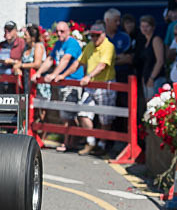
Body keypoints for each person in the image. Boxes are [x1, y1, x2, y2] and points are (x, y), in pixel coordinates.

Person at [33, 21, 85, 152]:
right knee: (66, 114)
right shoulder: (58, 44)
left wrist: (54, 74)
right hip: (63, 82)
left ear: (68, 31)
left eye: (62, 31)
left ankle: (69, 142)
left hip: (72, 81)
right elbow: (50, 60)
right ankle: (72, 141)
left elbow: (65, 60)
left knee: (68, 114)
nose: (59, 34)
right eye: (57, 31)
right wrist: (39, 73)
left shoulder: (72, 43)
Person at [71, 22, 116, 155]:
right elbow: (79, 62)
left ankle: (102, 144)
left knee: (105, 117)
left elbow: (102, 65)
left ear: (103, 35)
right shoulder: (90, 46)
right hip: (91, 85)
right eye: (92, 36)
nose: (94, 39)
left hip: (104, 84)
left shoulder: (109, 46)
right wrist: (61, 75)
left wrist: (88, 76)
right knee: (83, 113)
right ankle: (90, 142)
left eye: (96, 36)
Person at [136, 15, 165, 100]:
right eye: (142, 26)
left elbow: (160, 61)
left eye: (147, 26)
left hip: (156, 79)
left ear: (153, 27)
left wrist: (152, 78)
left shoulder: (156, 40)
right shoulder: (145, 41)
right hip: (146, 77)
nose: (144, 29)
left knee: (154, 105)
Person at [0, 21, 26, 92]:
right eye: (6, 30)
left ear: (15, 31)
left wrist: (13, 62)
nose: (7, 32)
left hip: (14, 78)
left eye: (10, 30)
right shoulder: (1, 44)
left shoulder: (21, 43)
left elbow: (24, 60)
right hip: (1, 77)